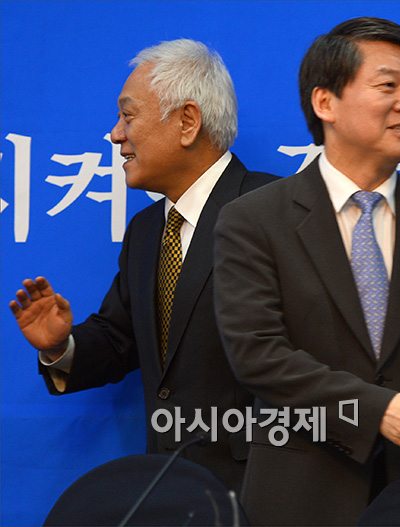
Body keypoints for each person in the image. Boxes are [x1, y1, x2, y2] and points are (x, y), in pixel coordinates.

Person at [213, 17, 400, 525]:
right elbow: (258, 355)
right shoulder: (254, 219)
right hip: (300, 494)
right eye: (388, 86)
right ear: (325, 103)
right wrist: (375, 409)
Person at [9, 39, 276, 493]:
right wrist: (59, 347)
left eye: (128, 116)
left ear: (187, 121)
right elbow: (120, 339)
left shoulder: (275, 210)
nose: (116, 135)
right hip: (170, 488)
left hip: (262, 488)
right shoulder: (148, 230)